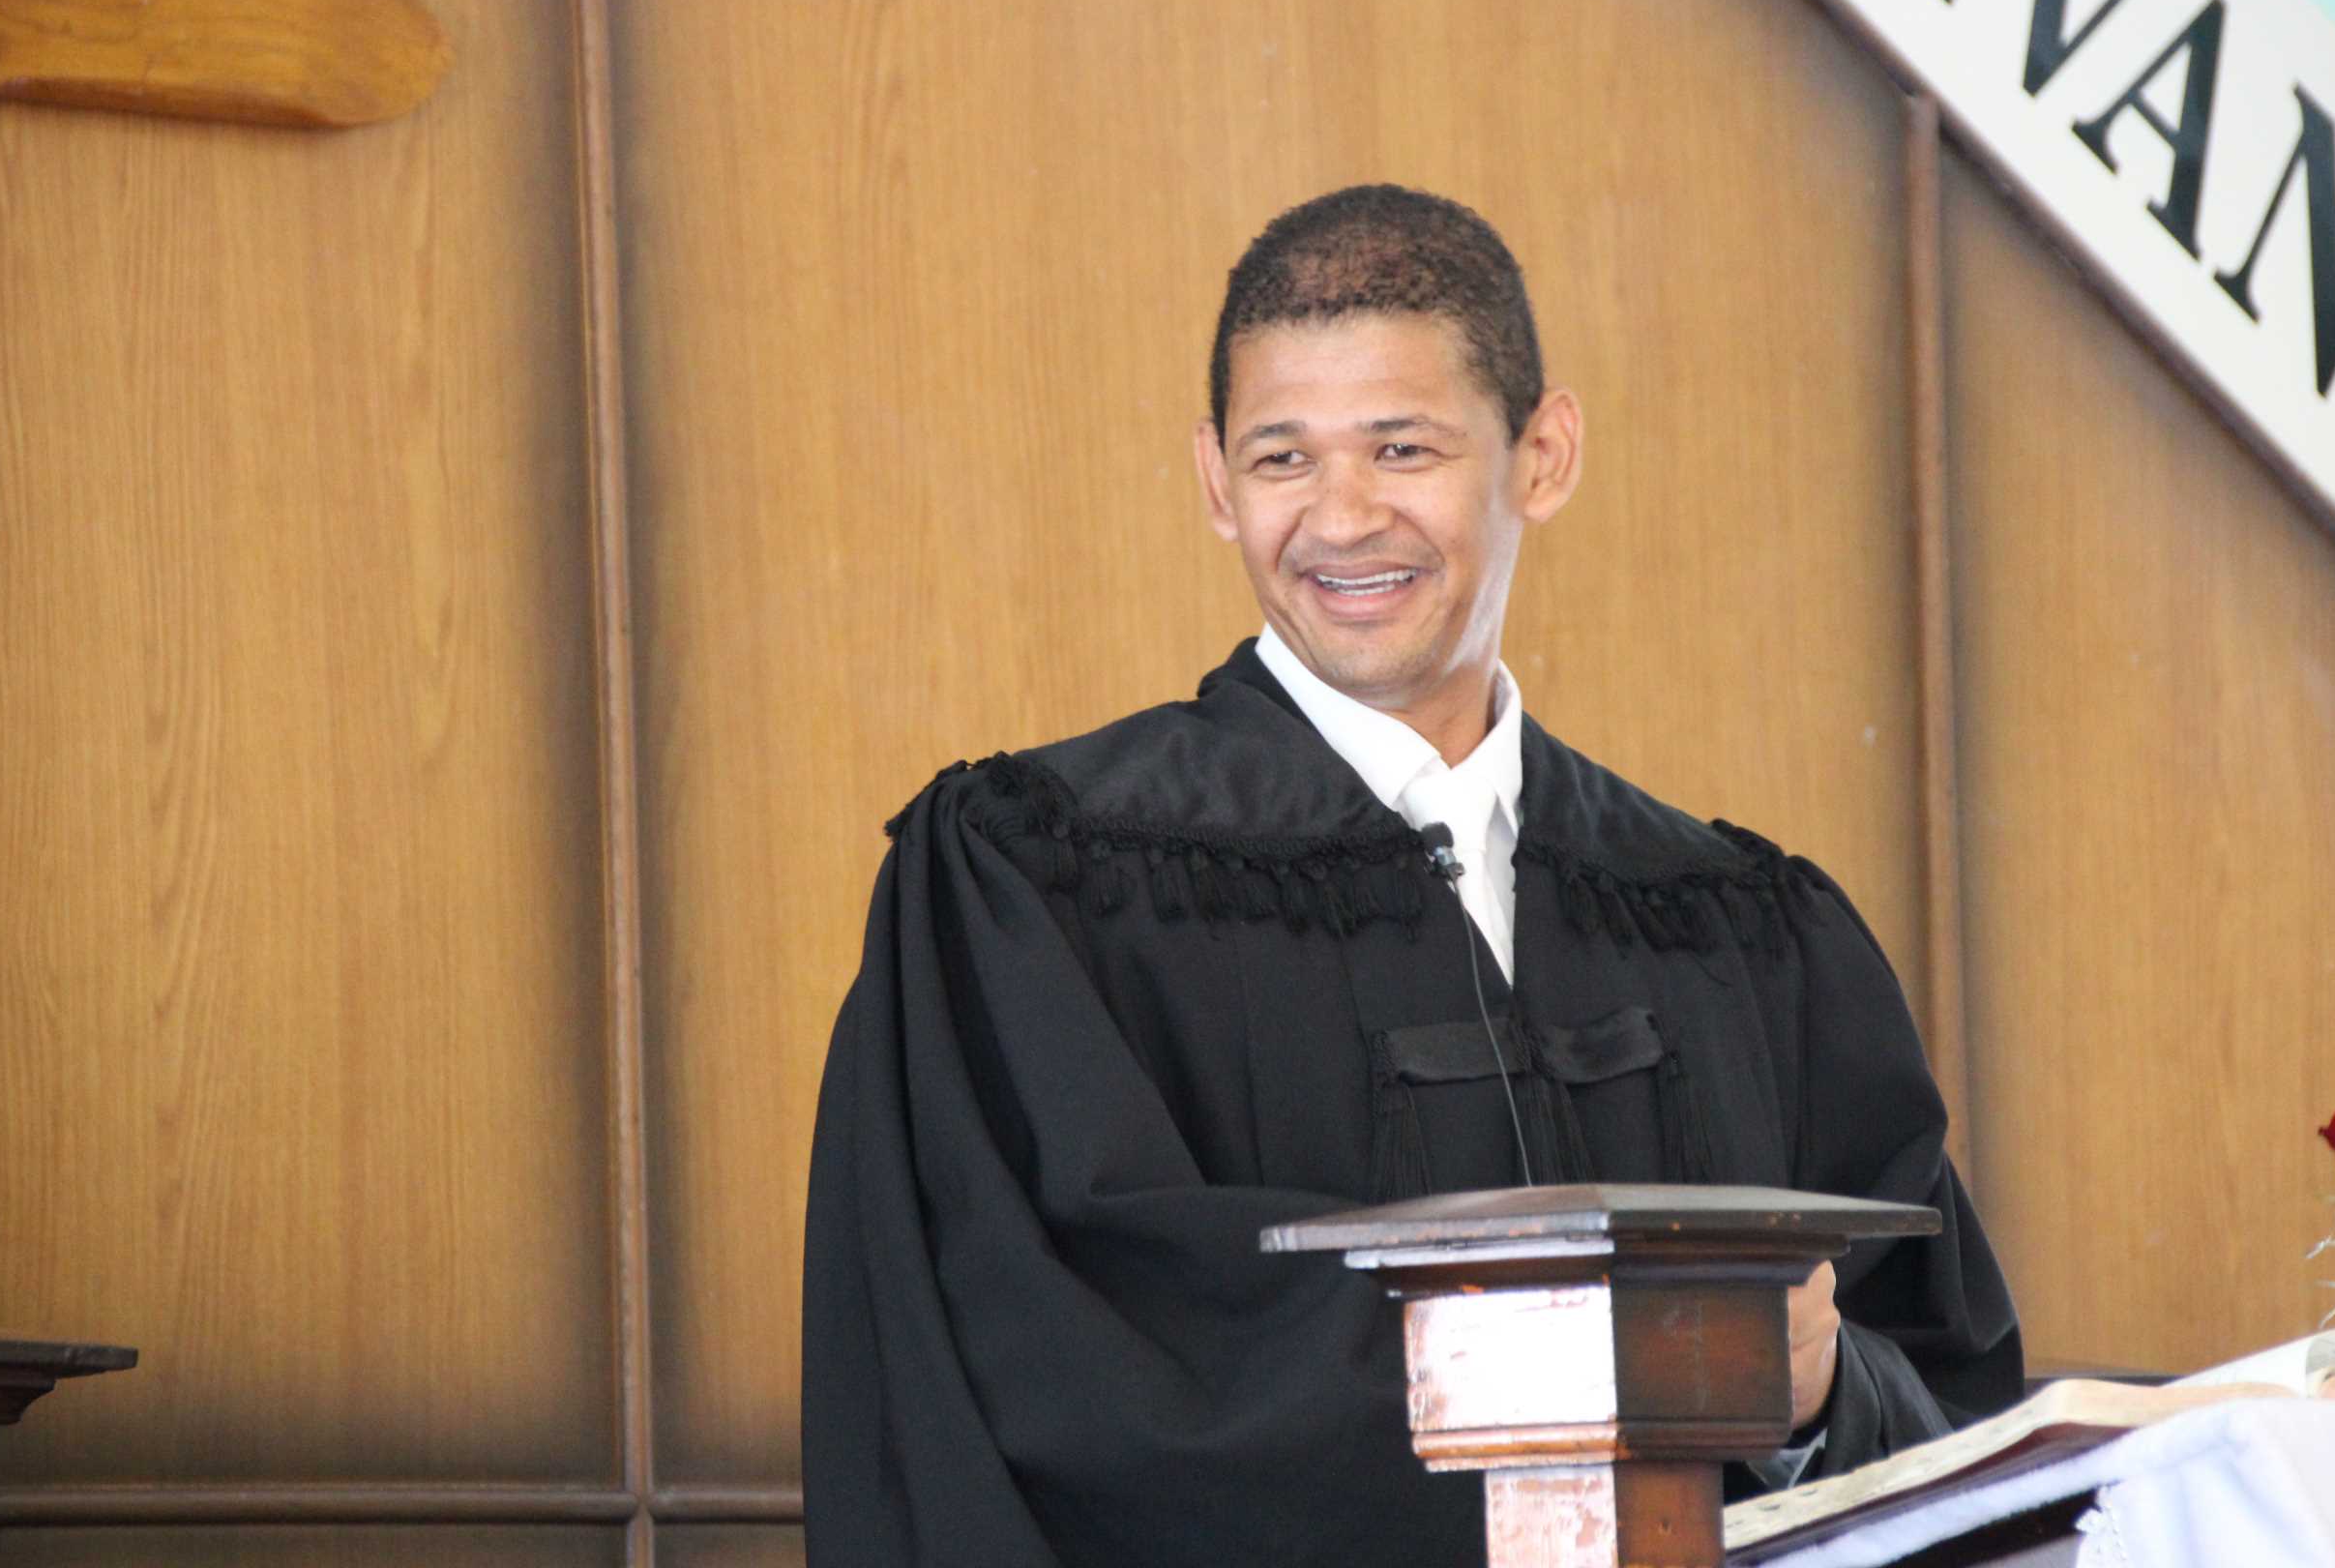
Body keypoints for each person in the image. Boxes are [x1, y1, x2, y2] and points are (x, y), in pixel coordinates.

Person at [801, 185, 2022, 1568]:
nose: (1342, 518)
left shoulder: (1737, 929)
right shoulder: (1041, 885)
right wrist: (1600, 1349)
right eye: (1282, 458)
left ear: (1542, 455)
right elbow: (1038, 1365)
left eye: (1402, 447)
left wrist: (1814, 1395)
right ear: (1216, 482)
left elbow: (1950, 1410)